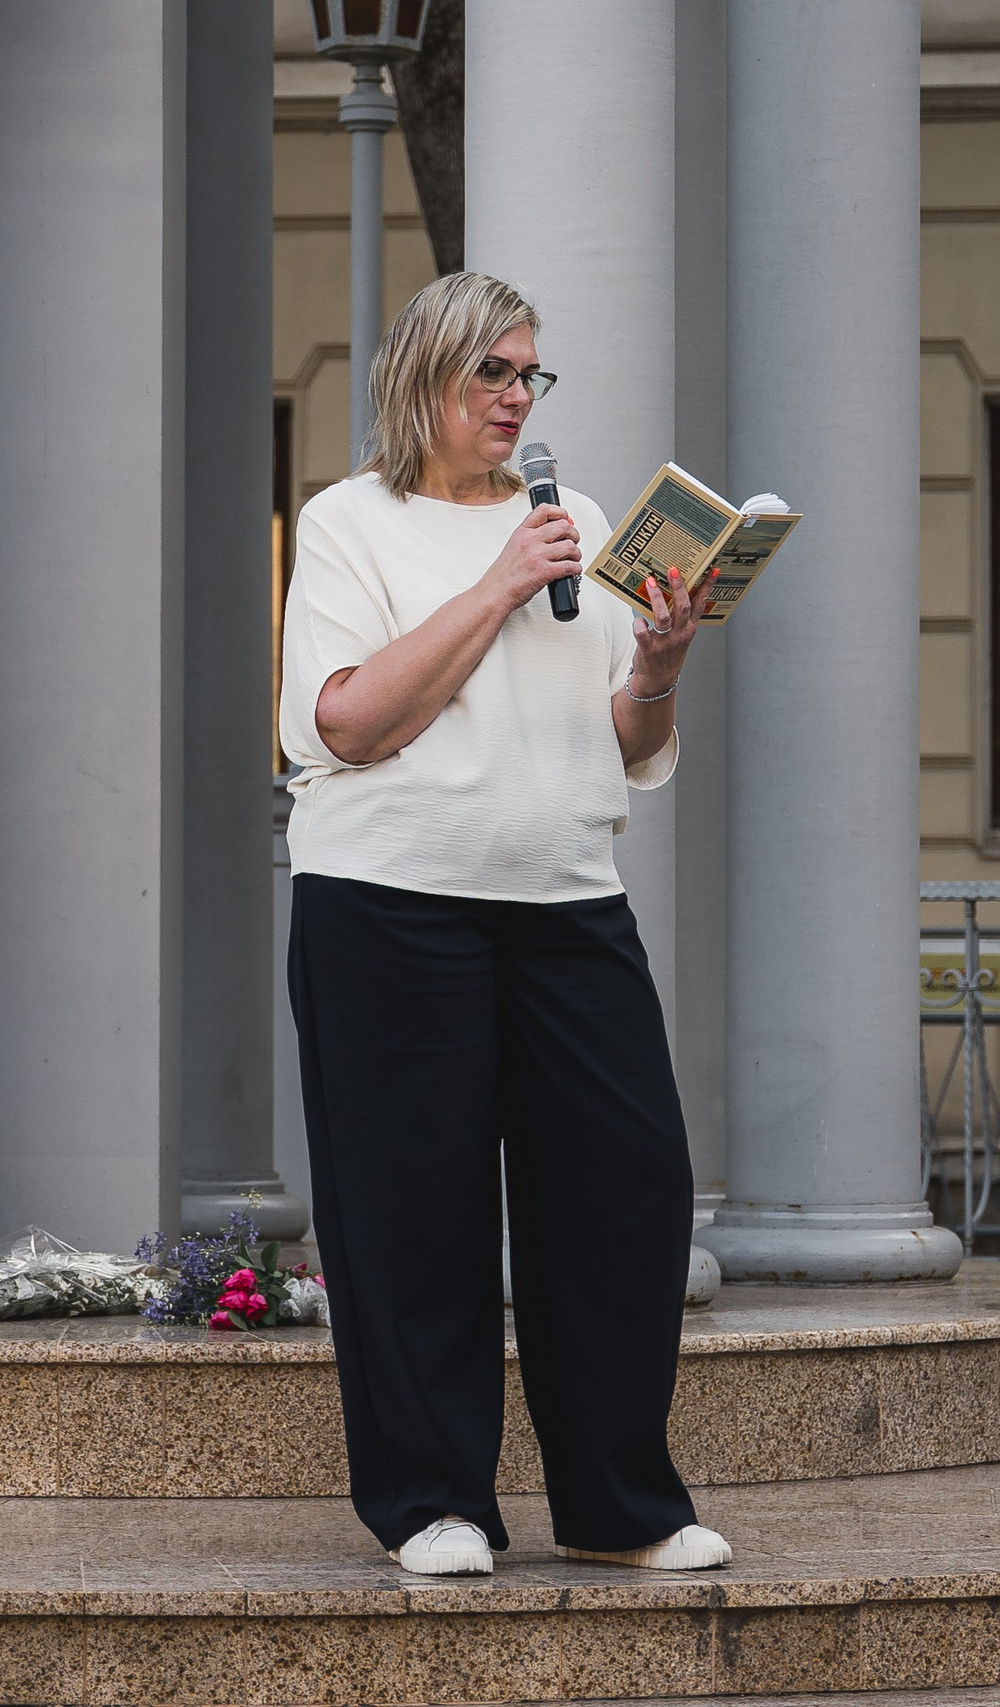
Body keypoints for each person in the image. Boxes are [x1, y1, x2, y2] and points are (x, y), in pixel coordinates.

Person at [280, 271, 729, 1578]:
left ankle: (619, 1506)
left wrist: (657, 663)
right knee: (409, 1212)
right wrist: (493, 585)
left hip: (567, 903)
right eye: (498, 374)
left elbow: (630, 742)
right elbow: (351, 719)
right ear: (427, 377)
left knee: (625, 1195)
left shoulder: (580, 520)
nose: (520, 398)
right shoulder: (350, 523)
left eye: (533, 375)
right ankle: (437, 1504)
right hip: (387, 906)